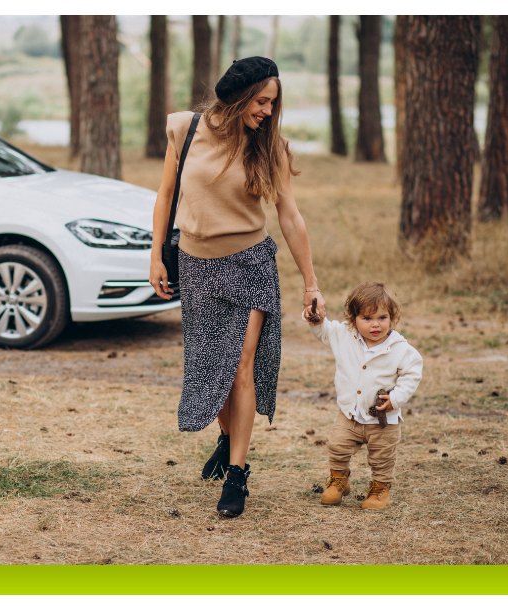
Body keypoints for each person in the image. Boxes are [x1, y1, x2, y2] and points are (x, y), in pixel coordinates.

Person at [149, 57, 325, 518]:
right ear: (239, 95)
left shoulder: (270, 147)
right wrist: (154, 257)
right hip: (196, 265)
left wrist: (311, 285)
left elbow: (289, 215)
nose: (268, 111)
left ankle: (237, 476)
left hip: (249, 265)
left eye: (272, 103)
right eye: (261, 101)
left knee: (241, 366)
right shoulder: (184, 130)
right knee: (217, 370)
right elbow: (166, 195)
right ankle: (228, 438)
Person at [304, 282, 423, 509]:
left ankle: (380, 490)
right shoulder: (344, 336)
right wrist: (315, 318)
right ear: (353, 318)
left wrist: (396, 398)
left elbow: (412, 374)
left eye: (382, 318)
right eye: (367, 319)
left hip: (383, 419)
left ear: (392, 317)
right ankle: (338, 480)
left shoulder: (400, 348)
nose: (375, 325)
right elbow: (323, 330)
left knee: (382, 457)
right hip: (350, 413)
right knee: (337, 446)